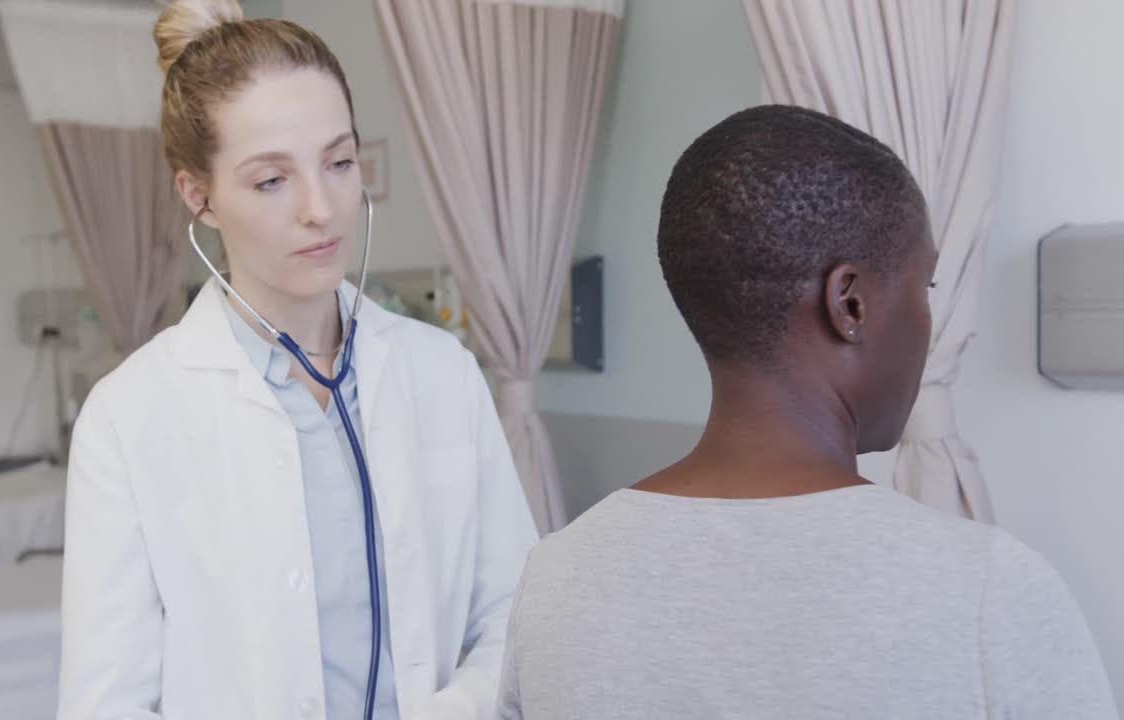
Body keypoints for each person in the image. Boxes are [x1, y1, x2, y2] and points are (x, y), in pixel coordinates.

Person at [497, 105, 1118, 719]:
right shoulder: (988, 595)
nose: (929, 322)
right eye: (924, 287)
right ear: (849, 304)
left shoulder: (557, 580)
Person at [57, 1, 537, 717]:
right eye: (271, 180)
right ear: (200, 197)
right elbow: (108, 702)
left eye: (340, 162)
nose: (323, 208)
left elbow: (514, 621)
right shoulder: (131, 417)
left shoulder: (441, 374)